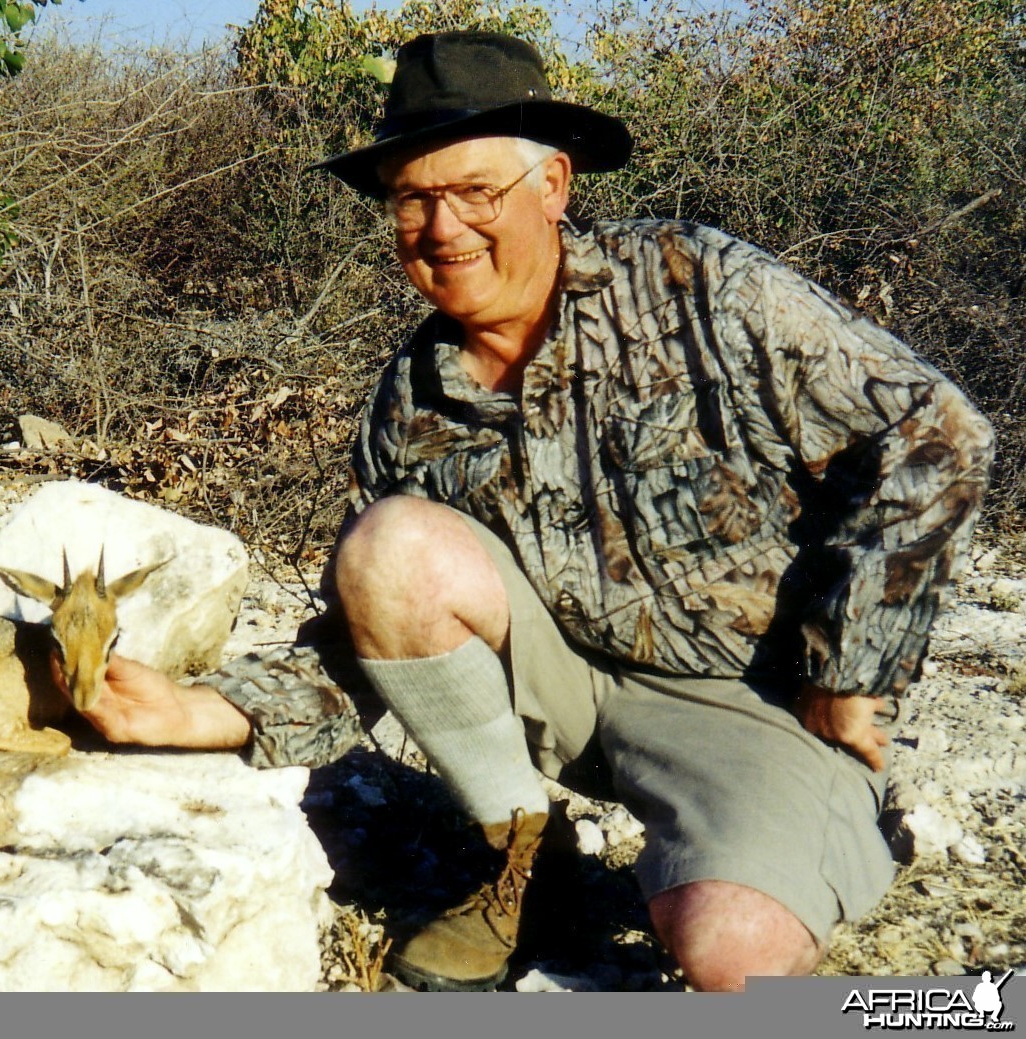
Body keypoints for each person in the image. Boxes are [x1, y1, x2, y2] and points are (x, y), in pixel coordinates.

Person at [72, 31, 995, 992]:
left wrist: (851, 665)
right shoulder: (411, 396)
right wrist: (203, 708)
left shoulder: (694, 281)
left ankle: (874, 884)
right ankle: (519, 857)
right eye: (412, 199)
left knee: (734, 954)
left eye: (474, 192)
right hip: (564, 693)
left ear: (553, 186)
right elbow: (364, 639)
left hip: (758, 700)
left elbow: (937, 431)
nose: (441, 228)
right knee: (391, 545)